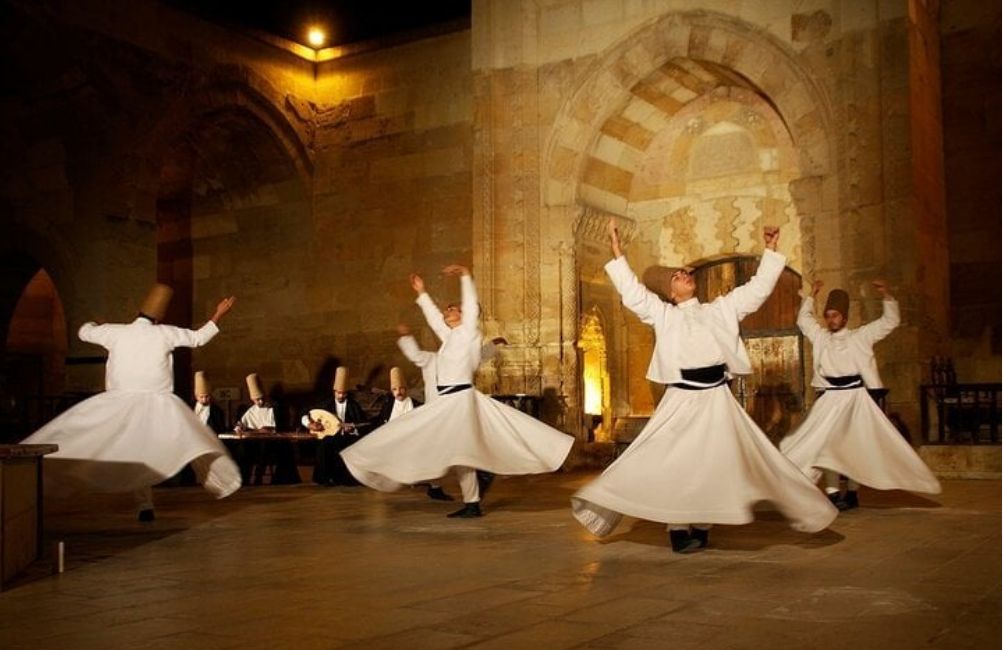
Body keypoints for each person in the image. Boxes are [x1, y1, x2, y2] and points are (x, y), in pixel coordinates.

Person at [571, 218, 837, 553]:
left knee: (716, 461)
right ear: (670, 291)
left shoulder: (720, 310)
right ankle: (678, 527)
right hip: (682, 398)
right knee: (676, 460)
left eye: (685, 273)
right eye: (677, 276)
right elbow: (635, 295)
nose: (685, 275)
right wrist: (617, 253)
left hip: (716, 399)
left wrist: (769, 251)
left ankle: (704, 522)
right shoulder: (664, 315)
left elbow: (755, 292)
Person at [342, 265, 575, 518]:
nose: (448, 310)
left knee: (461, 450)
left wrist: (465, 276)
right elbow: (435, 321)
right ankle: (470, 501)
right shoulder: (451, 336)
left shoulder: (469, 332)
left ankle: (471, 500)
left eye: (453, 308)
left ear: (465, 316)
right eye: (448, 308)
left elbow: (472, 308)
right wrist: (421, 294)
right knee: (448, 447)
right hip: (447, 401)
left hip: (460, 400)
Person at [21, 284, 240, 522]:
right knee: (191, 439)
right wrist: (218, 313)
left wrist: (98, 326)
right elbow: (198, 338)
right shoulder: (163, 332)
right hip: (156, 404)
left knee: (82, 435)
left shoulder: (117, 332)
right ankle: (217, 482)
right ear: (159, 317)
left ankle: (39, 472)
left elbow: (83, 332)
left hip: (123, 403)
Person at [780, 280, 941, 509]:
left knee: (854, 445)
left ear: (844, 317)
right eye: (828, 315)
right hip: (830, 398)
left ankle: (853, 493)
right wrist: (810, 297)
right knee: (827, 445)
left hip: (855, 397)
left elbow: (889, 322)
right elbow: (803, 321)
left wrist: (887, 296)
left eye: (835, 315)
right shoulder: (821, 337)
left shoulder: (860, 336)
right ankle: (834, 493)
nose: (831, 320)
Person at [371, 366, 452, 501]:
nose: (399, 392)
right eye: (395, 390)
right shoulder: (387, 406)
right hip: (393, 443)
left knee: (433, 455)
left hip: (415, 442)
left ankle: (435, 489)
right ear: (392, 391)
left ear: (406, 389)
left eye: (401, 388)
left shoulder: (416, 405)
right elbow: (380, 424)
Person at [302, 367, 370, 486]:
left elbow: (362, 424)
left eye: (343, 393)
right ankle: (324, 479)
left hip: (347, 437)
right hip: (329, 436)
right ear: (334, 392)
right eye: (339, 393)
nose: (341, 395)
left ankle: (347, 479)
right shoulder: (325, 404)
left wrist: (353, 428)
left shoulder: (354, 405)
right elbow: (305, 415)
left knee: (350, 445)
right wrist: (310, 424)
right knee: (325, 444)